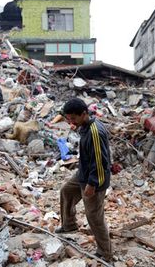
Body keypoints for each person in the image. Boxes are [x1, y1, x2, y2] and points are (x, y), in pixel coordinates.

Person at [56, 98, 112, 261]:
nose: (70, 122)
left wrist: (92, 184)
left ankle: (105, 252)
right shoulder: (84, 126)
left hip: (95, 178)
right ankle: (69, 225)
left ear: (84, 114)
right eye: (68, 118)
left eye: (73, 118)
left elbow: (101, 161)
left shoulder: (95, 132)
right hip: (84, 172)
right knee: (66, 191)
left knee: (94, 216)